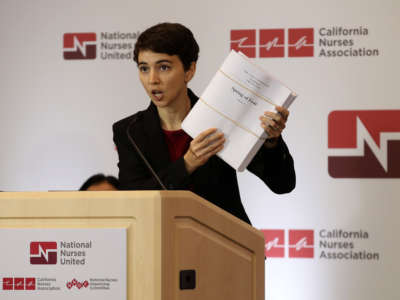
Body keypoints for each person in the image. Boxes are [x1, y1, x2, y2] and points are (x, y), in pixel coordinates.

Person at [112, 23, 295, 225]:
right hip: (160, 246)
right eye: (144, 68)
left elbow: (282, 184)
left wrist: (271, 142)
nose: (152, 80)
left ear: (189, 70)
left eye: (164, 67)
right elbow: (132, 201)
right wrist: (187, 164)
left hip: (225, 245)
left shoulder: (221, 117)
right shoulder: (129, 131)